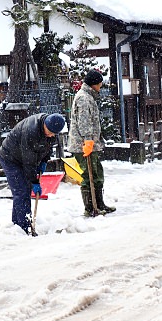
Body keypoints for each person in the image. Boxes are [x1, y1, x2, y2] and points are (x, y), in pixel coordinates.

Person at [0, 112, 65, 234]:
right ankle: (24, 227)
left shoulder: (51, 131)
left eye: (53, 134)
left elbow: (47, 148)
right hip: (11, 158)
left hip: (23, 158)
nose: (50, 135)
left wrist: (44, 162)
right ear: (45, 124)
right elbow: (28, 161)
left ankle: (18, 224)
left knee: (24, 190)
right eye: (49, 131)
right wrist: (34, 181)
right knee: (21, 190)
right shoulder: (31, 131)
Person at [67, 68, 114, 217]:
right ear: (93, 84)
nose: (101, 87)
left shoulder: (89, 96)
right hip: (83, 145)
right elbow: (84, 121)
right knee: (89, 175)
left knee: (97, 173)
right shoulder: (83, 98)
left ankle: (99, 203)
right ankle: (90, 207)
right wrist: (88, 140)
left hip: (90, 144)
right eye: (99, 84)